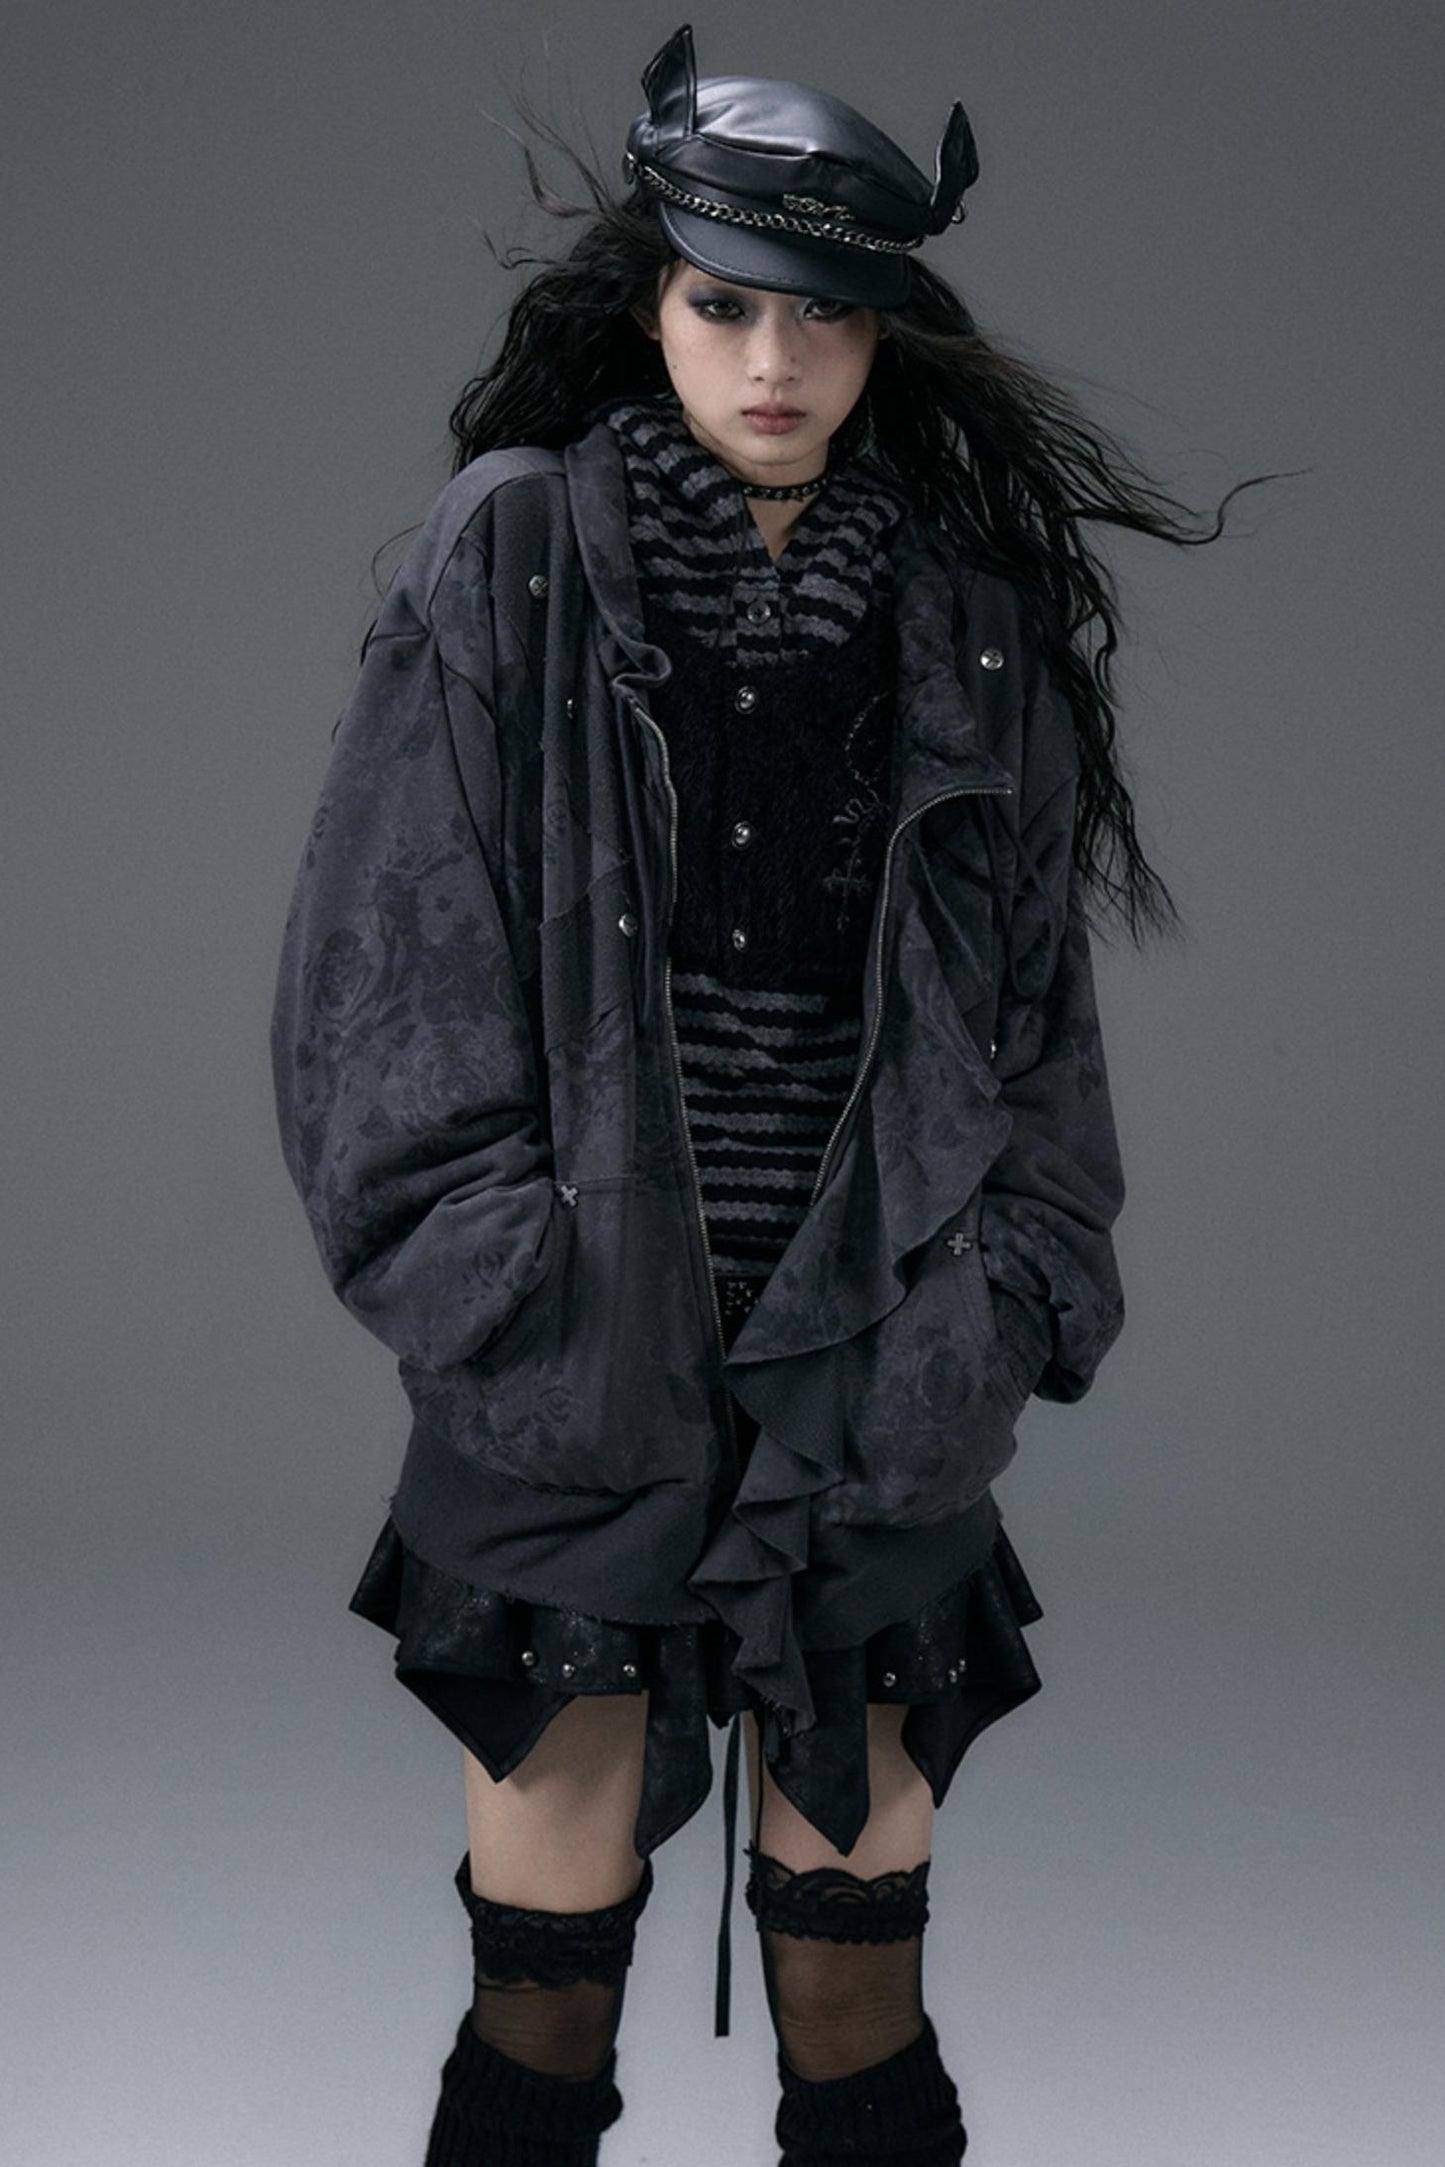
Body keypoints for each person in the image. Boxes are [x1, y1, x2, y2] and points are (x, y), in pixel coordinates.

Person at [270, 23, 1245, 2164]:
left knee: (856, 1990)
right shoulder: (515, 555)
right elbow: (378, 980)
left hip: (870, 1368)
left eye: (824, 315)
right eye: (724, 304)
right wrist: (502, 1296)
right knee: (540, 2003)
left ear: (885, 333)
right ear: (652, 305)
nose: (773, 360)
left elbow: (1037, 1029)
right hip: (576, 1369)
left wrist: (1003, 1299)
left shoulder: (968, 621)